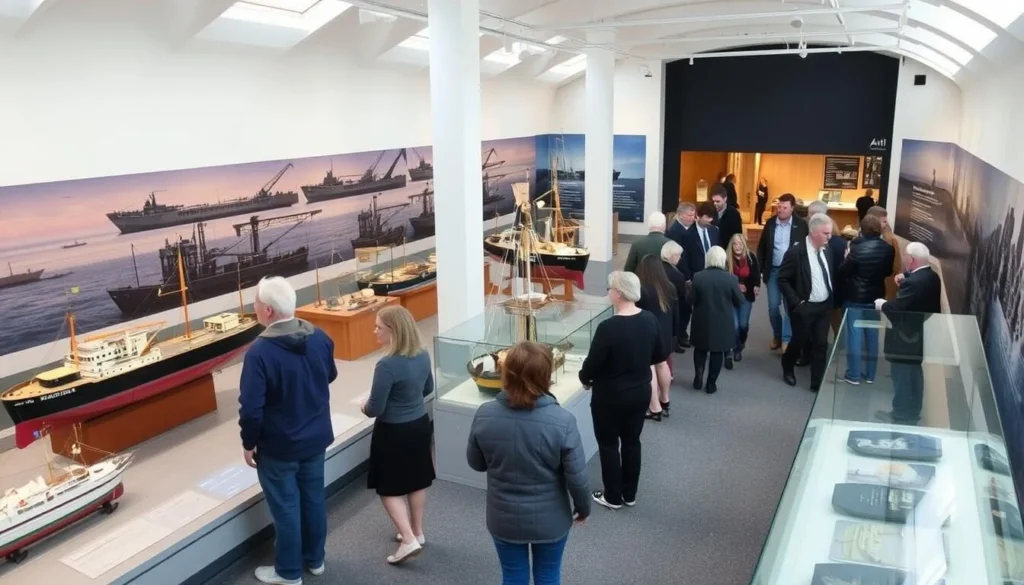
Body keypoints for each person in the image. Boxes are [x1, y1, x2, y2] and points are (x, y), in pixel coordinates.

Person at [467, 341, 591, 585]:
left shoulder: (484, 413)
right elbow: (578, 476)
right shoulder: (563, 420)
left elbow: (476, 463)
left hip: (503, 517)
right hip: (551, 519)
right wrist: (583, 507)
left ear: (506, 374)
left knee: (513, 576)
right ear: (546, 375)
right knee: (548, 576)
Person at [239, 277, 336, 585]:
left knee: (286, 508)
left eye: (254, 302)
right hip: (316, 439)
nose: (252, 306)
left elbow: (251, 409)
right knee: (313, 500)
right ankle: (315, 559)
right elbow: (329, 376)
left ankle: (289, 572)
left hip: (278, 447)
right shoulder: (320, 338)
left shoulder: (259, 353)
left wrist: (248, 442)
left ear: (267, 310)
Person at [579, 271, 664, 510]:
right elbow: (658, 355)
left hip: (609, 396)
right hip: (639, 392)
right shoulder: (649, 319)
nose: (608, 292)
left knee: (608, 445)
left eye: (609, 288)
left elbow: (592, 365)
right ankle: (630, 494)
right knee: (632, 442)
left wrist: (584, 379)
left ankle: (612, 496)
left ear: (617, 293)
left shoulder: (608, 327)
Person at [361, 305, 435, 565]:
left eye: (379, 327)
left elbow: (375, 409)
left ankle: (407, 539)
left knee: (388, 487)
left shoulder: (387, 365)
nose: (375, 332)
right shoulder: (423, 354)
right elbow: (428, 388)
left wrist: (363, 405)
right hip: (419, 425)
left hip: (392, 431)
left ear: (393, 330)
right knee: (416, 480)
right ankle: (418, 531)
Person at [874, 242, 942, 424]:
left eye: (906, 256)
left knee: (901, 376)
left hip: (904, 338)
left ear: (911, 259)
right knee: (914, 376)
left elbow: (896, 308)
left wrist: (882, 304)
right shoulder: (932, 277)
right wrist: (905, 275)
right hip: (918, 335)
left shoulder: (912, 283)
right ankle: (913, 411)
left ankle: (900, 414)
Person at [778, 213, 836, 392]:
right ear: (813, 232)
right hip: (804, 307)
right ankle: (787, 366)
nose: (830, 236)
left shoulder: (827, 249)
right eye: (826, 233)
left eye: (830, 233)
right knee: (799, 341)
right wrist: (796, 302)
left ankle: (817, 383)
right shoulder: (796, 252)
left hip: (824, 306)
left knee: (821, 344)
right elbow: (783, 279)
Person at [839, 215, 894, 385]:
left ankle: (854, 375)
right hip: (875, 297)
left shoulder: (856, 247)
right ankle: (870, 375)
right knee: (872, 335)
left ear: (861, 230)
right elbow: (887, 272)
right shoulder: (888, 249)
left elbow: (843, 271)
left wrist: (846, 256)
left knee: (854, 336)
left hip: (854, 296)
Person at [756, 193, 809, 351]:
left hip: (792, 274)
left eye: (784, 208)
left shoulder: (801, 225)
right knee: (773, 307)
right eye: (779, 207)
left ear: (792, 208)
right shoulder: (771, 223)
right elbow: (763, 247)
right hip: (773, 270)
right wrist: (760, 269)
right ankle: (777, 335)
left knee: (789, 307)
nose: (780, 210)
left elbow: (805, 249)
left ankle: (786, 339)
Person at [687, 246, 743, 393]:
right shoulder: (731, 279)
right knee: (717, 353)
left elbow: (690, 299)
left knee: (700, 349)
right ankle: (711, 383)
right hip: (722, 322)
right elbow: (739, 301)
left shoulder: (698, 276)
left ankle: (698, 375)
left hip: (702, 320)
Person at [636, 254, 677, 420]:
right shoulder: (670, 287)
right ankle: (665, 400)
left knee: (650, 368)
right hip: (666, 333)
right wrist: (675, 334)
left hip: (648, 334)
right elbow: (676, 313)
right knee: (662, 364)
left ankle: (654, 408)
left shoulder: (642, 290)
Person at [807, 200, 849, 335]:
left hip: (820, 290)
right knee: (835, 323)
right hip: (836, 289)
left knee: (818, 326)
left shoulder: (813, 243)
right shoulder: (841, 243)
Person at [726, 234, 761, 364]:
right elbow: (724, 278)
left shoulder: (751, 257)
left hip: (746, 296)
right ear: (731, 245)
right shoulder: (726, 258)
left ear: (744, 244)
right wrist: (735, 285)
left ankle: (740, 345)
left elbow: (756, 275)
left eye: (740, 243)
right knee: (733, 325)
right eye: (735, 243)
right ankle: (733, 349)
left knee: (742, 325)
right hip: (730, 297)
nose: (738, 246)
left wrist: (756, 286)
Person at [666, 202, 696, 348]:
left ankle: (681, 335)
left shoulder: (686, 229)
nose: (692, 218)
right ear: (681, 214)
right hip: (679, 275)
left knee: (685, 307)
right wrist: (687, 277)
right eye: (690, 215)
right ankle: (677, 338)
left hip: (684, 274)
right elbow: (680, 259)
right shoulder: (675, 232)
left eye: (693, 215)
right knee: (681, 308)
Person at [865, 206, 903, 300]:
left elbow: (896, 266)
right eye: (883, 222)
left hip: (885, 288)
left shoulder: (891, 240)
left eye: (885, 222)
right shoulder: (862, 235)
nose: (885, 225)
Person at [661, 240, 690, 355]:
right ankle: (675, 343)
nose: (680, 258)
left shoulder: (659, 267)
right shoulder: (676, 274)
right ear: (671, 256)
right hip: (673, 305)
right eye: (678, 255)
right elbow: (682, 294)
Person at [684, 201, 720, 279]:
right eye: (707, 217)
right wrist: (688, 278)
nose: (710, 220)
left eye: (712, 217)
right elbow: (685, 259)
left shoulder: (714, 231)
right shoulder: (688, 234)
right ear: (698, 215)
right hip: (696, 276)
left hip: (713, 275)